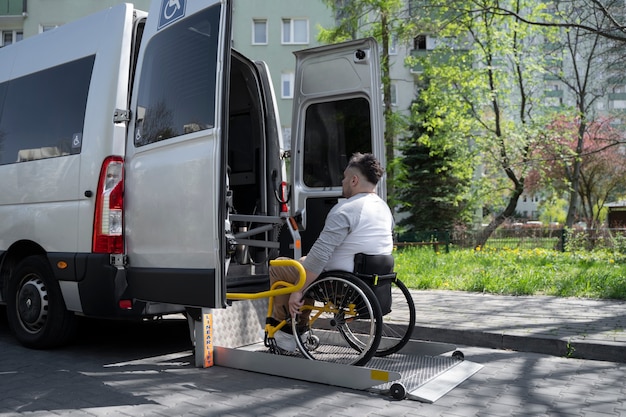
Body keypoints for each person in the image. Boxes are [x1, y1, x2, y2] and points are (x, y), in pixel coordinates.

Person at [269, 152, 394, 352]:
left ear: (354, 180)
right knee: (303, 262)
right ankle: (299, 326)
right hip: (370, 280)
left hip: (339, 284)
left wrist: (298, 291)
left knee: (280, 266)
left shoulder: (346, 209)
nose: (342, 182)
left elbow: (320, 256)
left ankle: (286, 334)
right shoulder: (383, 208)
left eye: (345, 178)